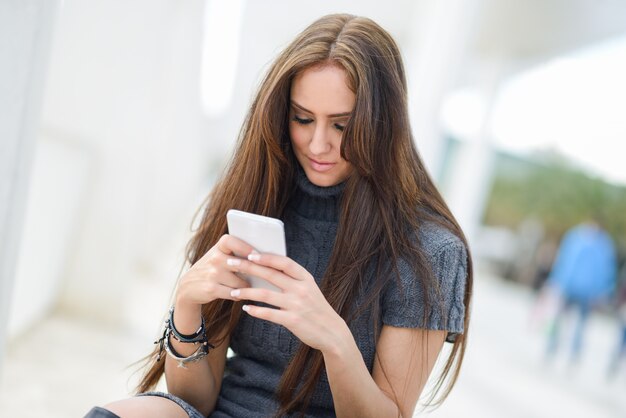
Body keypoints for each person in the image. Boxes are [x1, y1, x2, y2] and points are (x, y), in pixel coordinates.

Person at [84, 13, 472, 418]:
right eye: (302, 119)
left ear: (382, 124)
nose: (318, 144)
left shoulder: (429, 251)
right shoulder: (254, 197)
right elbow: (195, 402)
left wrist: (333, 339)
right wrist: (187, 305)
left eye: (342, 125)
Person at [544, 218, 617, 365]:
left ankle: (574, 353)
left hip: (587, 292)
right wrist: (556, 281)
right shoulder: (575, 238)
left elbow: (606, 272)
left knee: (580, 325)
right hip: (569, 286)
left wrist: (603, 292)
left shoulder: (603, 246)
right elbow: (563, 261)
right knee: (559, 319)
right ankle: (552, 348)